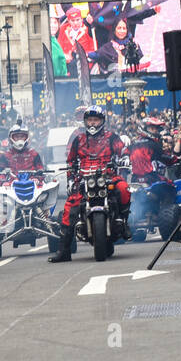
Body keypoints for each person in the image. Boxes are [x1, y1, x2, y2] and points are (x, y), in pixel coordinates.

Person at [49, 106, 130, 262]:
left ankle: (124, 223)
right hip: (84, 177)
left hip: (108, 175)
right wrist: (71, 178)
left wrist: (125, 158)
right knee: (69, 208)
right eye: (90, 120)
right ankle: (64, 251)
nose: (93, 123)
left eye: (96, 119)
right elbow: (70, 161)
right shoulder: (78, 139)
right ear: (85, 121)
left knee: (124, 189)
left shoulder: (112, 137)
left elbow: (123, 150)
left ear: (102, 121)